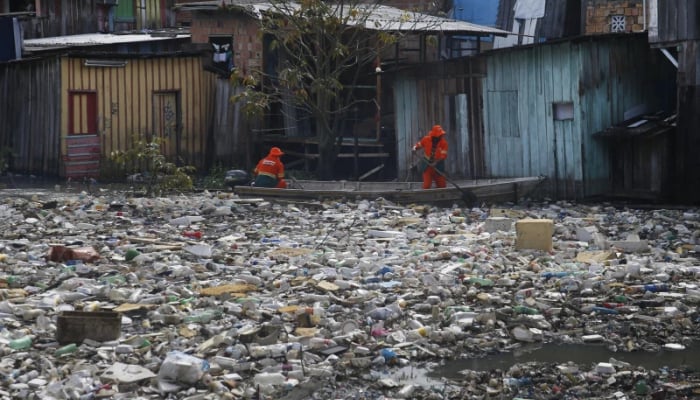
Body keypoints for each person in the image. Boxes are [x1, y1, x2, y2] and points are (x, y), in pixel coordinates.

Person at [412, 125, 448, 189]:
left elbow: (443, 156)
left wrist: (436, 162)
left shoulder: (444, 143)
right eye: (439, 135)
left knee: (442, 186)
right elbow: (418, 145)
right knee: (426, 186)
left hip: (438, 166)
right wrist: (414, 148)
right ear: (434, 135)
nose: (441, 136)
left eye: (441, 135)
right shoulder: (426, 139)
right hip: (427, 165)